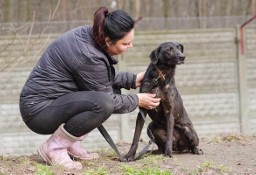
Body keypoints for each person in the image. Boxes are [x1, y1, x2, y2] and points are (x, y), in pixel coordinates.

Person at [19, 6, 160, 170]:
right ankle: (54, 148)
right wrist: (137, 100)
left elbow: (97, 78)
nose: (130, 46)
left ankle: (70, 144)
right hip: (39, 112)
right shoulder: (87, 53)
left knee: (106, 96)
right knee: (104, 103)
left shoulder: (92, 36)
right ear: (108, 40)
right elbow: (107, 96)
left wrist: (132, 79)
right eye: (126, 43)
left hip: (52, 103)